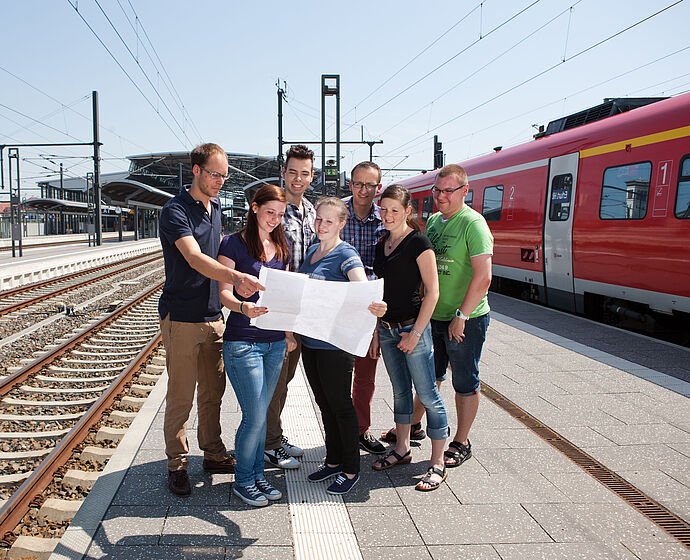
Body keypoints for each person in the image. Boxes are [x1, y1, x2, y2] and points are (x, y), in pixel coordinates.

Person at [159, 143, 264, 496]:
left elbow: (218, 252)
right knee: (180, 396)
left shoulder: (215, 206)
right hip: (183, 318)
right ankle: (177, 463)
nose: (220, 181)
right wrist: (237, 279)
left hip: (212, 315)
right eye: (214, 174)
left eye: (224, 175)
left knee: (212, 393)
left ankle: (213, 453)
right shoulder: (175, 211)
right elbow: (193, 257)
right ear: (196, 171)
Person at [300, 197, 387, 495]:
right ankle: (333, 460)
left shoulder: (345, 253)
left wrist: (373, 304)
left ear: (341, 224)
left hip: (334, 344)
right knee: (324, 404)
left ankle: (350, 469)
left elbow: (361, 286)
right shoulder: (312, 251)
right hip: (310, 341)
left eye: (328, 220)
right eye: (318, 219)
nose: (321, 225)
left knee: (341, 406)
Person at [218, 184, 297, 507]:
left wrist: (289, 334)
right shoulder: (232, 245)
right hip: (243, 342)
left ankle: (258, 475)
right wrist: (242, 307)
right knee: (254, 416)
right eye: (269, 213)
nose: (274, 220)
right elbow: (222, 292)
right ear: (254, 208)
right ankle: (244, 480)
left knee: (263, 414)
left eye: (280, 215)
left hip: (275, 342)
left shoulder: (283, 244)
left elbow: (288, 295)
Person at [370, 185, 449, 491]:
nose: (388, 215)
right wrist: (377, 332)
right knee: (401, 392)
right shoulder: (381, 245)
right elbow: (380, 291)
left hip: (412, 328)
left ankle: (437, 462)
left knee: (428, 394)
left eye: (394, 210)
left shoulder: (419, 242)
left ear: (407, 212)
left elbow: (433, 292)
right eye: (384, 209)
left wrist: (416, 333)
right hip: (387, 329)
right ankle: (401, 448)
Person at [425, 164, 493, 469]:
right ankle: (414, 427)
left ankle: (461, 441)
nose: (441, 196)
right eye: (437, 190)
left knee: (464, 381)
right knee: (430, 378)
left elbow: (484, 277)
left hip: (466, 319)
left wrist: (461, 315)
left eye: (448, 191)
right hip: (435, 317)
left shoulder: (473, 224)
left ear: (465, 191)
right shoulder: (435, 222)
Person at [264, 144, 316, 469]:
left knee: (287, 377)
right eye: (293, 172)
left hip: (303, 309)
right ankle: (268, 444)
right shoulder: (273, 208)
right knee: (275, 376)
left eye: (305, 173)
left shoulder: (311, 211)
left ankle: (274, 433)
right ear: (284, 172)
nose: (298, 179)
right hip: (277, 307)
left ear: (312, 176)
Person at [341, 161, 387, 455]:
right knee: (338, 373)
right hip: (340, 305)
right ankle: (340, 430)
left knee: (366, 374)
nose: (363, 190)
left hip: (371, 307)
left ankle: (360, 429)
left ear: (378, 188)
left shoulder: (386, 219)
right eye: (358, 184)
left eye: (370, 185)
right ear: (350, 185)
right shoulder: (337, 214)